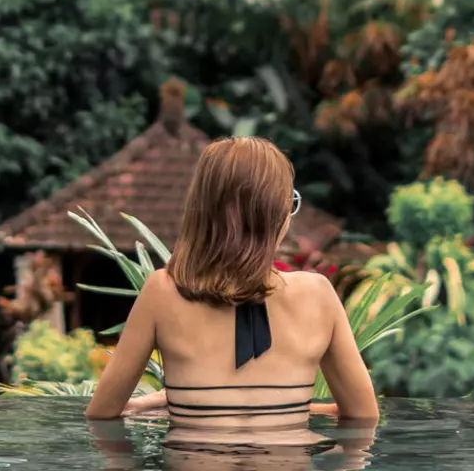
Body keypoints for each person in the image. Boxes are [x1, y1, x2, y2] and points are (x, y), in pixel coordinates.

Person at [85, 136, 379, 442]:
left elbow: (103, 413)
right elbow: (362, 418)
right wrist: (295, 409)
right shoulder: (318, 295)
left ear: (202, 210)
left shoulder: (162, 291)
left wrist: (177, 401)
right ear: (275, 211)